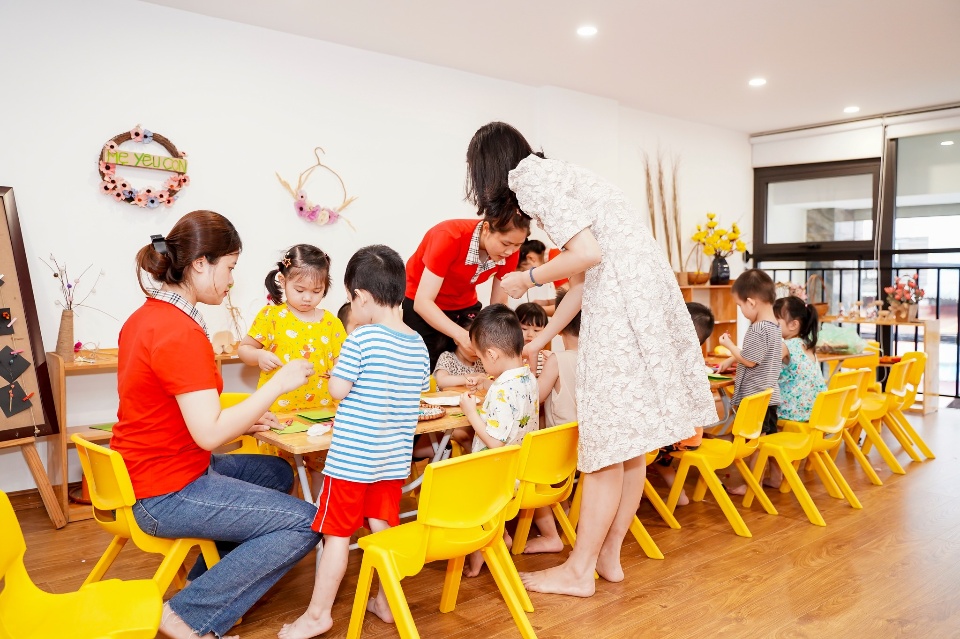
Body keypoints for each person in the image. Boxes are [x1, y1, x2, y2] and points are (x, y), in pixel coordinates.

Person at [479, 122, 714, 597]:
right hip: (640, 295)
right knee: (629, 444)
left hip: (623, 304)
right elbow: (585, 278)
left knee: (606, 446)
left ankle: (579, 569)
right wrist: (541, 339)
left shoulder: (528, 177)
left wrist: (529, 278)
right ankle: (607, 555)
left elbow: (586, 254)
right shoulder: (567, 175)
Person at [110, 211, 319, 639]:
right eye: (230, 268)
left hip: (147, 473)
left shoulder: (146, 316)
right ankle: (187, 614)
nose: (231, 281)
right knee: (307, 522)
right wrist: (277, 385)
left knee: (276, 472)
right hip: (165, 491)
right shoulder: (179, 331)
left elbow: (180, 412)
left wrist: (247, 421)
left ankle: (210, 586)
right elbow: (208, 433)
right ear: (200, 263)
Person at [279, 245, 431, 639]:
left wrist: (332, 377)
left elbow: (339, 390)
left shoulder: (361, 340)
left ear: (360, 297)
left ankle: (318, 615)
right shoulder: (418, 344)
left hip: (351, 462)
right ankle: (386, 601)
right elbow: (415, 393)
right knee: (384, 529)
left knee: (337, 535)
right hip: (391, 462)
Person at [457, 304, 539, 576]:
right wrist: (487, 385)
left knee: (458, 488)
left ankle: (481, 551)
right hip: (518, 469)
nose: (482, 362)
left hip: (496, 475)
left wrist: (471, 413)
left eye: (481, 357)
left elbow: (495, 442)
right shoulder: (526, 377)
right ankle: (498, 538)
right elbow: (512, 402)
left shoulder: (503, 388)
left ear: (492, 354)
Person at [403, 202, 527, 370]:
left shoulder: (510, 251)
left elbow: (499, 303)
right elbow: (422, 302)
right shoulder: (448, 236)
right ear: (486, 229)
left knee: (471, 361)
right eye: (505, 244)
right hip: (422, 302)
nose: (510, 252)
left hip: (464, 302)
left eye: (518, 245)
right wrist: (460, 335)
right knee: (424, 365)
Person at [238, 244, 345, 414]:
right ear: (283, 281)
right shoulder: (271, 316)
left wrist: (339, 372)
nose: (307, 298)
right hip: (276, 411)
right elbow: (244, 349)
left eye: (316, 291)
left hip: (322, 412)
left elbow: (342, 364)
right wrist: (259, 355)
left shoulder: (332, 323)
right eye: (299, 290)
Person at [718, 269, 783, 494]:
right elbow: (759, 355)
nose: (741, 311)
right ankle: (775, 478)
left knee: (754, 444)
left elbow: (750, 360)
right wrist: (731, 358)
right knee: (765, 441)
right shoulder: (774, 325)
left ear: (751, 302)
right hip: (769, 396)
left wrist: (729, 346)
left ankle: (752, 486)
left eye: (740, 306)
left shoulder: (758, 328)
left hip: (756, 399)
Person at [651, 302, 717, 506]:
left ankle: (629, 499)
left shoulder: (671, 362)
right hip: (693, 435)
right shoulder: (695, 361)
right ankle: (679, 495)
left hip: (679, 438)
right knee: (659, 456)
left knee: (637, 450)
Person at [774, 296, 827, 423]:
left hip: (794, 415)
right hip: (817, 413)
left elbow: (762, 365)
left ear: (793, 324)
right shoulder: (807, 344)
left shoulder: (786, 346)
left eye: (776, 321)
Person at [539, 290, 579, 429]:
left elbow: (534, 397)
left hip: (560, 438)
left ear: (559, 328)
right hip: (583, 435)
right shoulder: (594, 358)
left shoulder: (556, 361)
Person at [433, 316, 487, 389]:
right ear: (457, 340)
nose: (477, 352)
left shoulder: (480, 361)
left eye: (480, 346)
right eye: (472, 345)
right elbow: (441, 381)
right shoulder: (447, 357)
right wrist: (470, 377)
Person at [509, 239, 557, 314]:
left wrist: (534, 311)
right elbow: (566, 298)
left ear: (531, 258)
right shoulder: (555, 255)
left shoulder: (554, 263)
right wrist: (547, 302)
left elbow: (569, 306)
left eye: (523, 270)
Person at [515, 302, 549, 376]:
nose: (530, 334)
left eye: (536, 330)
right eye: (524, 328)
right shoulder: (509, 356)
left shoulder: (545, 359)